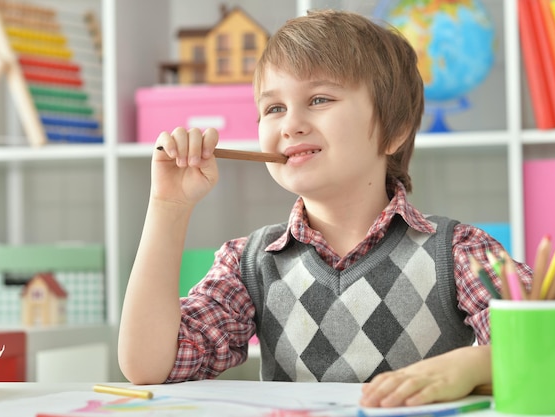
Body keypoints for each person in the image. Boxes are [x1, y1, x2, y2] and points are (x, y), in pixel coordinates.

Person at [118, 9, 532, 407]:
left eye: (318, 99)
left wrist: (470, 363)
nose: (290, 124)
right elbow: (150, 366)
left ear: (394, 131)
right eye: (274, 107)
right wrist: (168, 206)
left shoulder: (459, 252)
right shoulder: (247, 265)